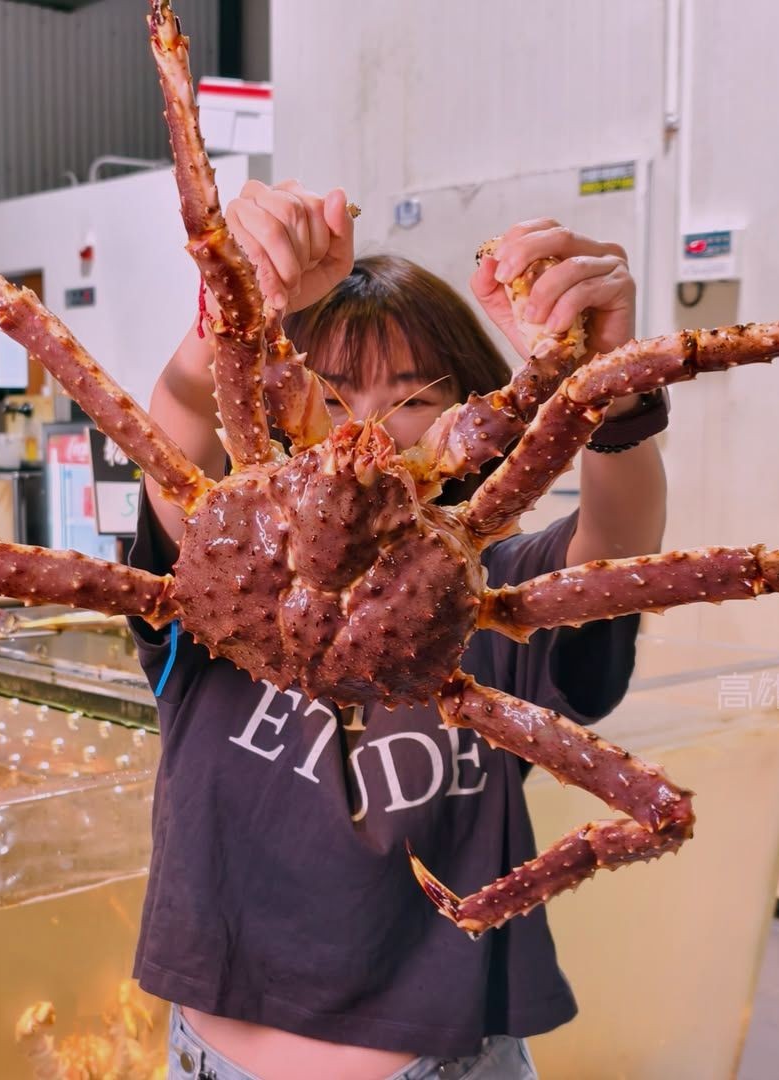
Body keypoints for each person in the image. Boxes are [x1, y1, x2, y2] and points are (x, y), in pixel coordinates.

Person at [128, 178, 668, 1080]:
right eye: (331, 397)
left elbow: (616, 550)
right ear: (268, 402)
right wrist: (234, 299)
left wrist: (606, 393)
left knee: (660, 808)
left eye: (415, 397)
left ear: (479, 416)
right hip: (211, 1056)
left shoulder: (489, 591)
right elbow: (177, 432)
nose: (369, 427)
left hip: (448, 1060)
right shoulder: (224, 565)